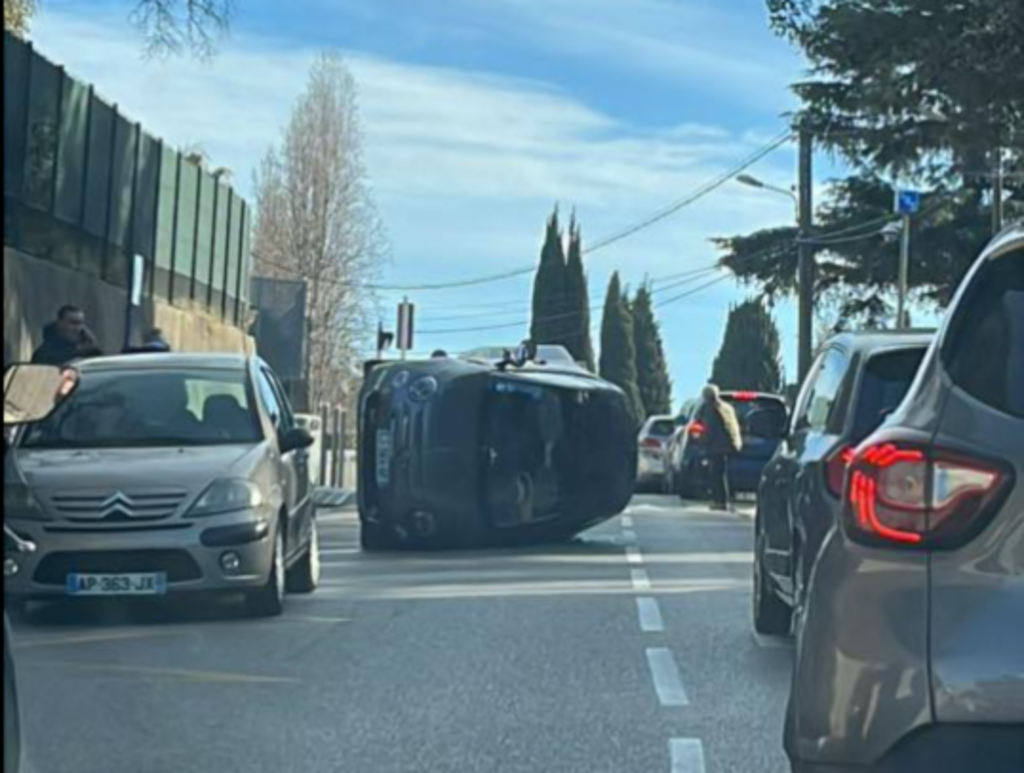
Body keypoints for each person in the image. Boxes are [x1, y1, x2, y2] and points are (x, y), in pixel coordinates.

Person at [694, 383, 743, 511]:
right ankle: (723, 500)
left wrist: (701, 443)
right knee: (721, 473)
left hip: (717, 446)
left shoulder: (711, 409)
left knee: (716, 474)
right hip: (729, 444)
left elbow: (709, 429)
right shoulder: (726, 407)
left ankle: (719, 501)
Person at [31, 305, 102, 366]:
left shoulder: (91, 352)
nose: (77, 328)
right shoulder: (44, 355)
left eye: (80, 323)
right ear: (60, 323)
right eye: (73, 323)